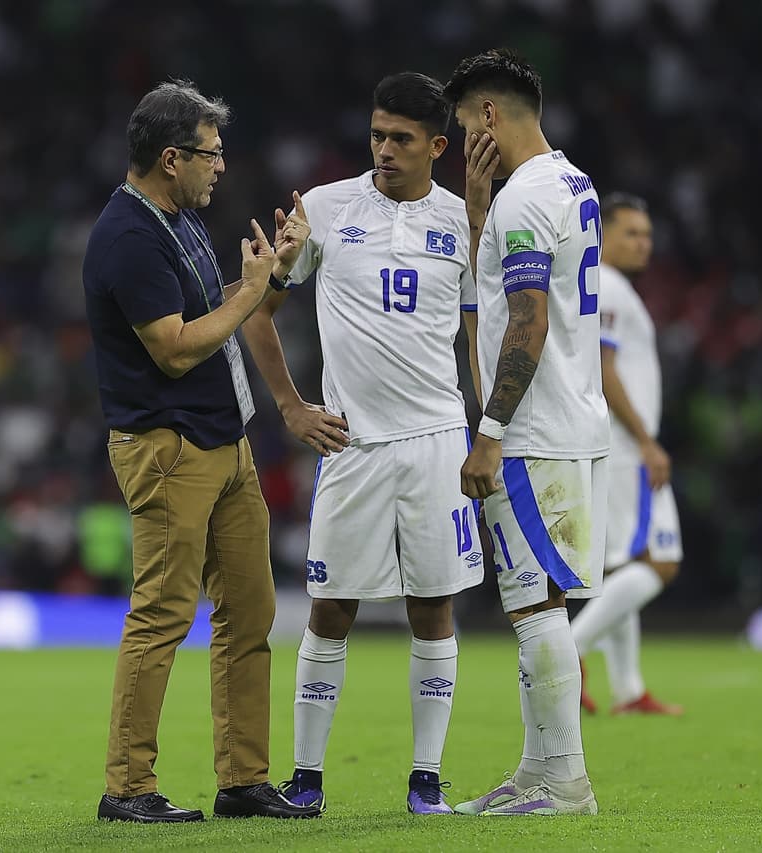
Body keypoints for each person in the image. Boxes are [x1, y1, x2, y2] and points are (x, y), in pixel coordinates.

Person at [243, 72, 483, 815]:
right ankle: (307, 778)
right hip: (353, 447)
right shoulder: (324, 208)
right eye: (377, 134)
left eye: (401, 139)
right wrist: (291, 406)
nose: (384, 149)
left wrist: (490, 431)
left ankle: (426, 779)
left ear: (436, 146)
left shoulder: (463, 222)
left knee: (433, 609)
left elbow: (479, 334)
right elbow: (256, 311)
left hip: (438, 444)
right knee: (331, 608)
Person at [82, 79, 320, 824]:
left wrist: (274, 273)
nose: (221, 166)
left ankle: (243, 779)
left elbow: (216, 309)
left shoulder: (176, 219)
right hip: (169, 447)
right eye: (210, 154)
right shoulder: (128, 237)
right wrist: (251, 293)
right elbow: (177, 347)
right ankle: (128, 786)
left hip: (223, 440)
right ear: (170, 157)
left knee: (250, 613)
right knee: (161, 614)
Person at [445, 49, 608, 817]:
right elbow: (500, 298)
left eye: (462, 124)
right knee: (539, 600)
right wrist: (478, 213)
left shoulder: (526, 201)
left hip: (532, 433)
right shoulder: (572, 183)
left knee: (533, 605)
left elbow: (526, 322)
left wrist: (490, 430)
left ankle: (565, 782)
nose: (462, 141)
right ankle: (537, 770)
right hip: (568, 422)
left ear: (488, 115)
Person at [571, 193, 684, 716]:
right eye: (631, 233)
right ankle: (571, 650)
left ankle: (628, 689)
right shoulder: (609, 285)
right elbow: (604, 365)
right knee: (662, 562)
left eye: (647, 235)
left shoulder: (604, 285)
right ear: (604, 235)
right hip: (625, 446)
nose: (643, 244)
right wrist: (645, 439)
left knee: (625, 565)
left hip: (614, 445)